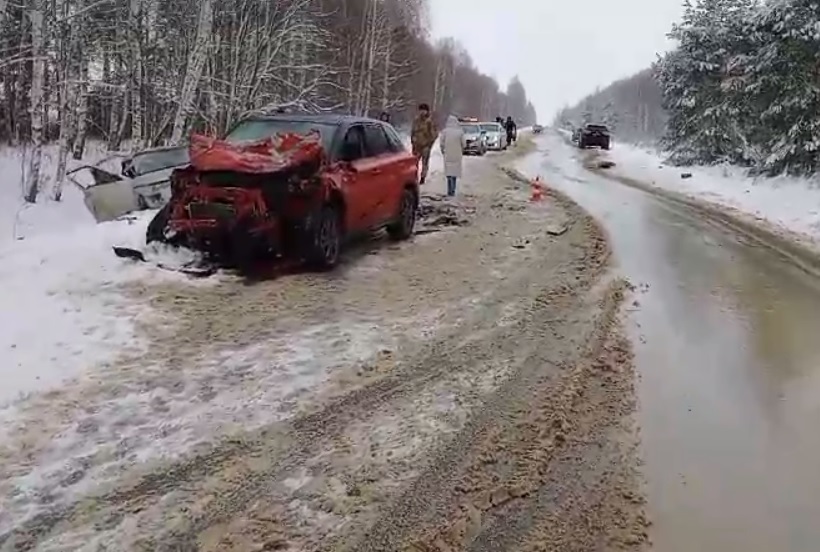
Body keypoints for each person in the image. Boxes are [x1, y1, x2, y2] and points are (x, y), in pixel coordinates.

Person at [411, 103, 438, 184]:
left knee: (424, 163)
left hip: (425, 145)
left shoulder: (429, 122)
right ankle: (414, 177)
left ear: (427, 111)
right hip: (416, 145)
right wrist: (412, 140)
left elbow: (434, 134)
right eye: (421, 110)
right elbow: (412, 131)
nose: (422, 112)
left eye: (424, 110)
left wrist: (429, 143)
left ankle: (423, 177)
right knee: (414, 163)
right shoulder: (416, 120)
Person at [439, 115, 464, 197]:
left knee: (449, 173)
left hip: (448, 154)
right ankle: (453, 190)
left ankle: (449, 190)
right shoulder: (460, 132)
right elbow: (463, 143)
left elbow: (441, 143)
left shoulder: (445, 132)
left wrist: (443, 150)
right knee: (454, 173)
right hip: (457, 154)